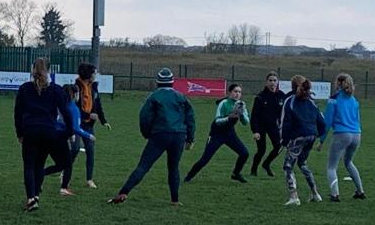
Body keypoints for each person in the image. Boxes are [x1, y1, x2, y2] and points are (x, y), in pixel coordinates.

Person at [108, 67, 195, 205]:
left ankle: (123, 192)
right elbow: (190, 117)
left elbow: (144, 117)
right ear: (172, 82)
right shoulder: (181, 96)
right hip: (179, 135)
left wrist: (147, 133)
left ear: (157, 82)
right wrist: (190, 138)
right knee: (173, 168)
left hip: (160, 135)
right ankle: (175, 200)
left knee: (143, 166)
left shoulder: (153, 97)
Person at [15, 58, 73, 211]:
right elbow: (66, 113)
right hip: (48, 131)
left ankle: (31, 197)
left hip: (30, 130)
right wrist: (68, 132)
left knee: (29, 165)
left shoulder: (25, 89)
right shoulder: (56, 90)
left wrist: (19, 132)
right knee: (39, 164)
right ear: (49, 71)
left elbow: (18, 113)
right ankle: (37, 196)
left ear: (32, 69)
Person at [184, 83, 250, 184]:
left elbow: (246, 122)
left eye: (239, 92)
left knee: (244, 153)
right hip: (216, 134)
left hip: (229, 133)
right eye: (235, 91)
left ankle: (236, 174)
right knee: (205, 159)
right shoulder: (223, 103)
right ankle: (188, 177)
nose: (237, 94)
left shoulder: (240, 104)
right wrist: (229, 117)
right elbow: (217, 121)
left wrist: (241, 115)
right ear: (230, 92)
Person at [318, 73, 365, 202]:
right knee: (348, 161)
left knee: (331, 166)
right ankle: (360, 191)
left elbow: (327, 121)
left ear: (337, 83)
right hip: (356, 134)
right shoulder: (354, 100)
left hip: (341, 134)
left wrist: (321, 140)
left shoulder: (334, 99)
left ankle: (335, 194)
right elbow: (358, 119)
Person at [280, 77, 326, 206]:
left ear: (292, 86)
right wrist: (319, 134)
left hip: (298, 137)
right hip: (311, 135)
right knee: (302, 163)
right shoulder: (312, 102)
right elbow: (321, 121)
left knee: (288, 166)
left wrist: (284, 140)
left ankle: (294, 196)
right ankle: (315, 193)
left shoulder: (290, 101)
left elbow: (285, 122)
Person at [43, 83, 95, 196]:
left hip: (48, 134)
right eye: (78, 94)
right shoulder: (73, 108)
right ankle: (64, 188)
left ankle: (38, 174)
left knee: (60, 164)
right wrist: (89, 136)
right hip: (60, 137)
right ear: (75, 95)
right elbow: (76, 128)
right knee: (67, 164)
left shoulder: (57, 104)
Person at [74, 62, 112, 189]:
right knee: (74, 150)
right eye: (94, 73)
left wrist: (103, 120)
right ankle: (65, 173)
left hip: (89, 126)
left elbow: (98, 105)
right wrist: (87, 115)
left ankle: (89, 180)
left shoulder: (94, 87)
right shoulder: (76, 87)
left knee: (90, 151)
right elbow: (74, 108)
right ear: (88, 74)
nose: (96, 75)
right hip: (77, 125)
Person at [250, 71, 285, 177]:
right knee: (261, 150)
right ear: (266, 82)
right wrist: (255, 131)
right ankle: (253, 170)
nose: (272, 83)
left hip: (273, 126)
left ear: (277, 82)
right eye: (270, 80)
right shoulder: (260, 97)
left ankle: (266, 164)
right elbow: (254, 116)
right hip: (260, 127)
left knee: (279, 146)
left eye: (274, 80)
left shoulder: (281, 96)